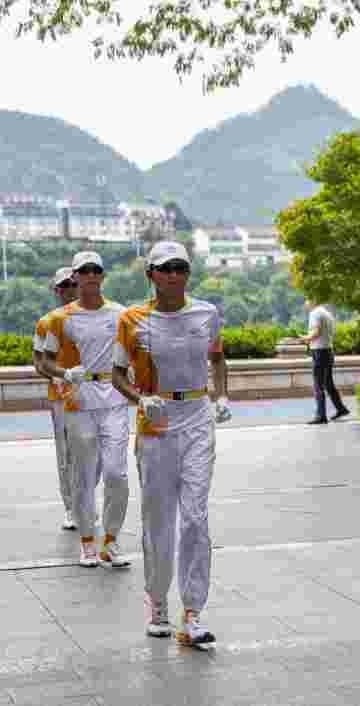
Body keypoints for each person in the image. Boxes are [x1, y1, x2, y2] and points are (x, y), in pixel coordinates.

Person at [112, 240, 232, 645]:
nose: (174, 275)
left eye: (181, 268)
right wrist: (139, 398)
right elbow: (117, 374)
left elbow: (217, 358)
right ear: (151, 275)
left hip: (197, 417)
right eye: (165, 268)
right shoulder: (131, 319)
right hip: (156, 423)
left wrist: (221, 396)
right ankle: (158, 601)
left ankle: (193, 612)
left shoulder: (207, 314)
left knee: (195, 517)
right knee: (159, 519)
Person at [39, 252, 131, 569]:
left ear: (102, 276)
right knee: (84, 474)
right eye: (84, 271)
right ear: (75, 277)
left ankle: (111, 540)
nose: (90, 275)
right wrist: (65, 373)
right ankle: (88, 541)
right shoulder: (60, 318)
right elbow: (44, 360)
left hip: (114, 398)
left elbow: (135, 352)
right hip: (79, 400)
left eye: (96, 270)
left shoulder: (121, 314)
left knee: (117, 473)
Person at [32, 267, 79, 531]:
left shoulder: (94, 318)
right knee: (66, 455)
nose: (70, 290)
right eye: (64, 286)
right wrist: (57, 376)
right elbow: (39, 362)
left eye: (73, 284)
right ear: (56, 290)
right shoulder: (46, 322)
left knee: (93, 454)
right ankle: (71, 508)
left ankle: (84, 501)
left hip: (92, 395)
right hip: (61, 397)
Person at [300, 301, 350, 424]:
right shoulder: (327, 313)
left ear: (312, 301)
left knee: (318, 385)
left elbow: (316, 332)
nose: (305, 303)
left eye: (307, 300)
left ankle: (321, 416)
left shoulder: (315, 313)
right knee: (328, 383)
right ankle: (341, 409)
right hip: (328, 350)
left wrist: (305, 338)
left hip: (319, 352)